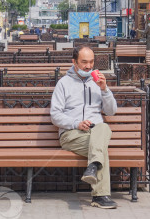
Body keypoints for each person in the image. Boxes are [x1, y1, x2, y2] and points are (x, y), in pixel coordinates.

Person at [50, 45, 118, 209]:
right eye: (84, 62)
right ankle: (100, 195)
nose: (88, 66)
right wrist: (76, 123)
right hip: (71, 134)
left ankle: (93, 168)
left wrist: (105, 89)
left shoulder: (98, 82)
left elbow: (111, 111)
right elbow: (55, 115)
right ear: (74, 62)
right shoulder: (63, 84)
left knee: (103, 128)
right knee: (101, 148)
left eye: (91, 62)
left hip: (94, 132)